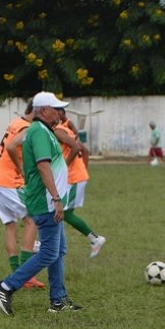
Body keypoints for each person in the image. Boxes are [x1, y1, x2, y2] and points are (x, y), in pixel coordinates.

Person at [0, 92, 82, 315]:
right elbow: (43, 166)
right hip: (46, 202)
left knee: (58, 250)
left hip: (47, 200)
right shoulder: (39, 132)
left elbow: (14, 147)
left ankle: (58, 300)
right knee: (50, 252)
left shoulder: (43, 131)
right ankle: (6, 286)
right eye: (56, 108)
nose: (60, 113)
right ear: (43, 111)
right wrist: (56, 198)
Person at [0, 100, 44, 289]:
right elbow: (12, 147)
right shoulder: (28, 127)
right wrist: (22, 169)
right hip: (9, 182)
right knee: (33, 219)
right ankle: (26, 275)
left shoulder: (15, 122)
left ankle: (16, 272)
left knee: (10, 225)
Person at [53, 108, 106, 258]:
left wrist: (66, 168)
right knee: (55, 209)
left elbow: (77, 148)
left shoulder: (59, 131)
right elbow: (85, 150)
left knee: (65, 213)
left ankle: (95, 239)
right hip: (75, 177)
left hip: (72, 178)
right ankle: (51, 244)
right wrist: (83, 171)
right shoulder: (66, 130)